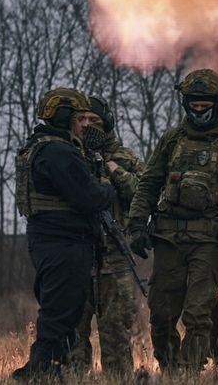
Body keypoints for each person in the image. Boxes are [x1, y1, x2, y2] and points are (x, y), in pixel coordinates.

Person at [125, 68, 218, 371]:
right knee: (160, 316)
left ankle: (188, 373)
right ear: (186, 103)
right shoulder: (172, 140)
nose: (199, 109)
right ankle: (172, 370)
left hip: (209, 242)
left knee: (198, 315)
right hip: (168, 240)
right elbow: (148, 183)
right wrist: (136, 224)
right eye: (194, 103)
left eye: (205, 104)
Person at [13, 87, 116, 380]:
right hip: (63, 243)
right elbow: (90, 197)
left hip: (56, 241)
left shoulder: (45, 146)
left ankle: (56, 372)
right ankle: (37, 373)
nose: (86, 125)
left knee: (65, 312)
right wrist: (108, 187)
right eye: (81, 118)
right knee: (59, 313)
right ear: (63, 117)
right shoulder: (58, 151)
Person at [69, 96, 143, 374]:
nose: (88, 126)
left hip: (114, 258)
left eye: (95, 121)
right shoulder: (68, 157)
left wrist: (114, 169)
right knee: (74, 334)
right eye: (82, 120)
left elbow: (143, 192)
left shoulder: (124, 158)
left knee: (116, 332)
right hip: (77, 256)